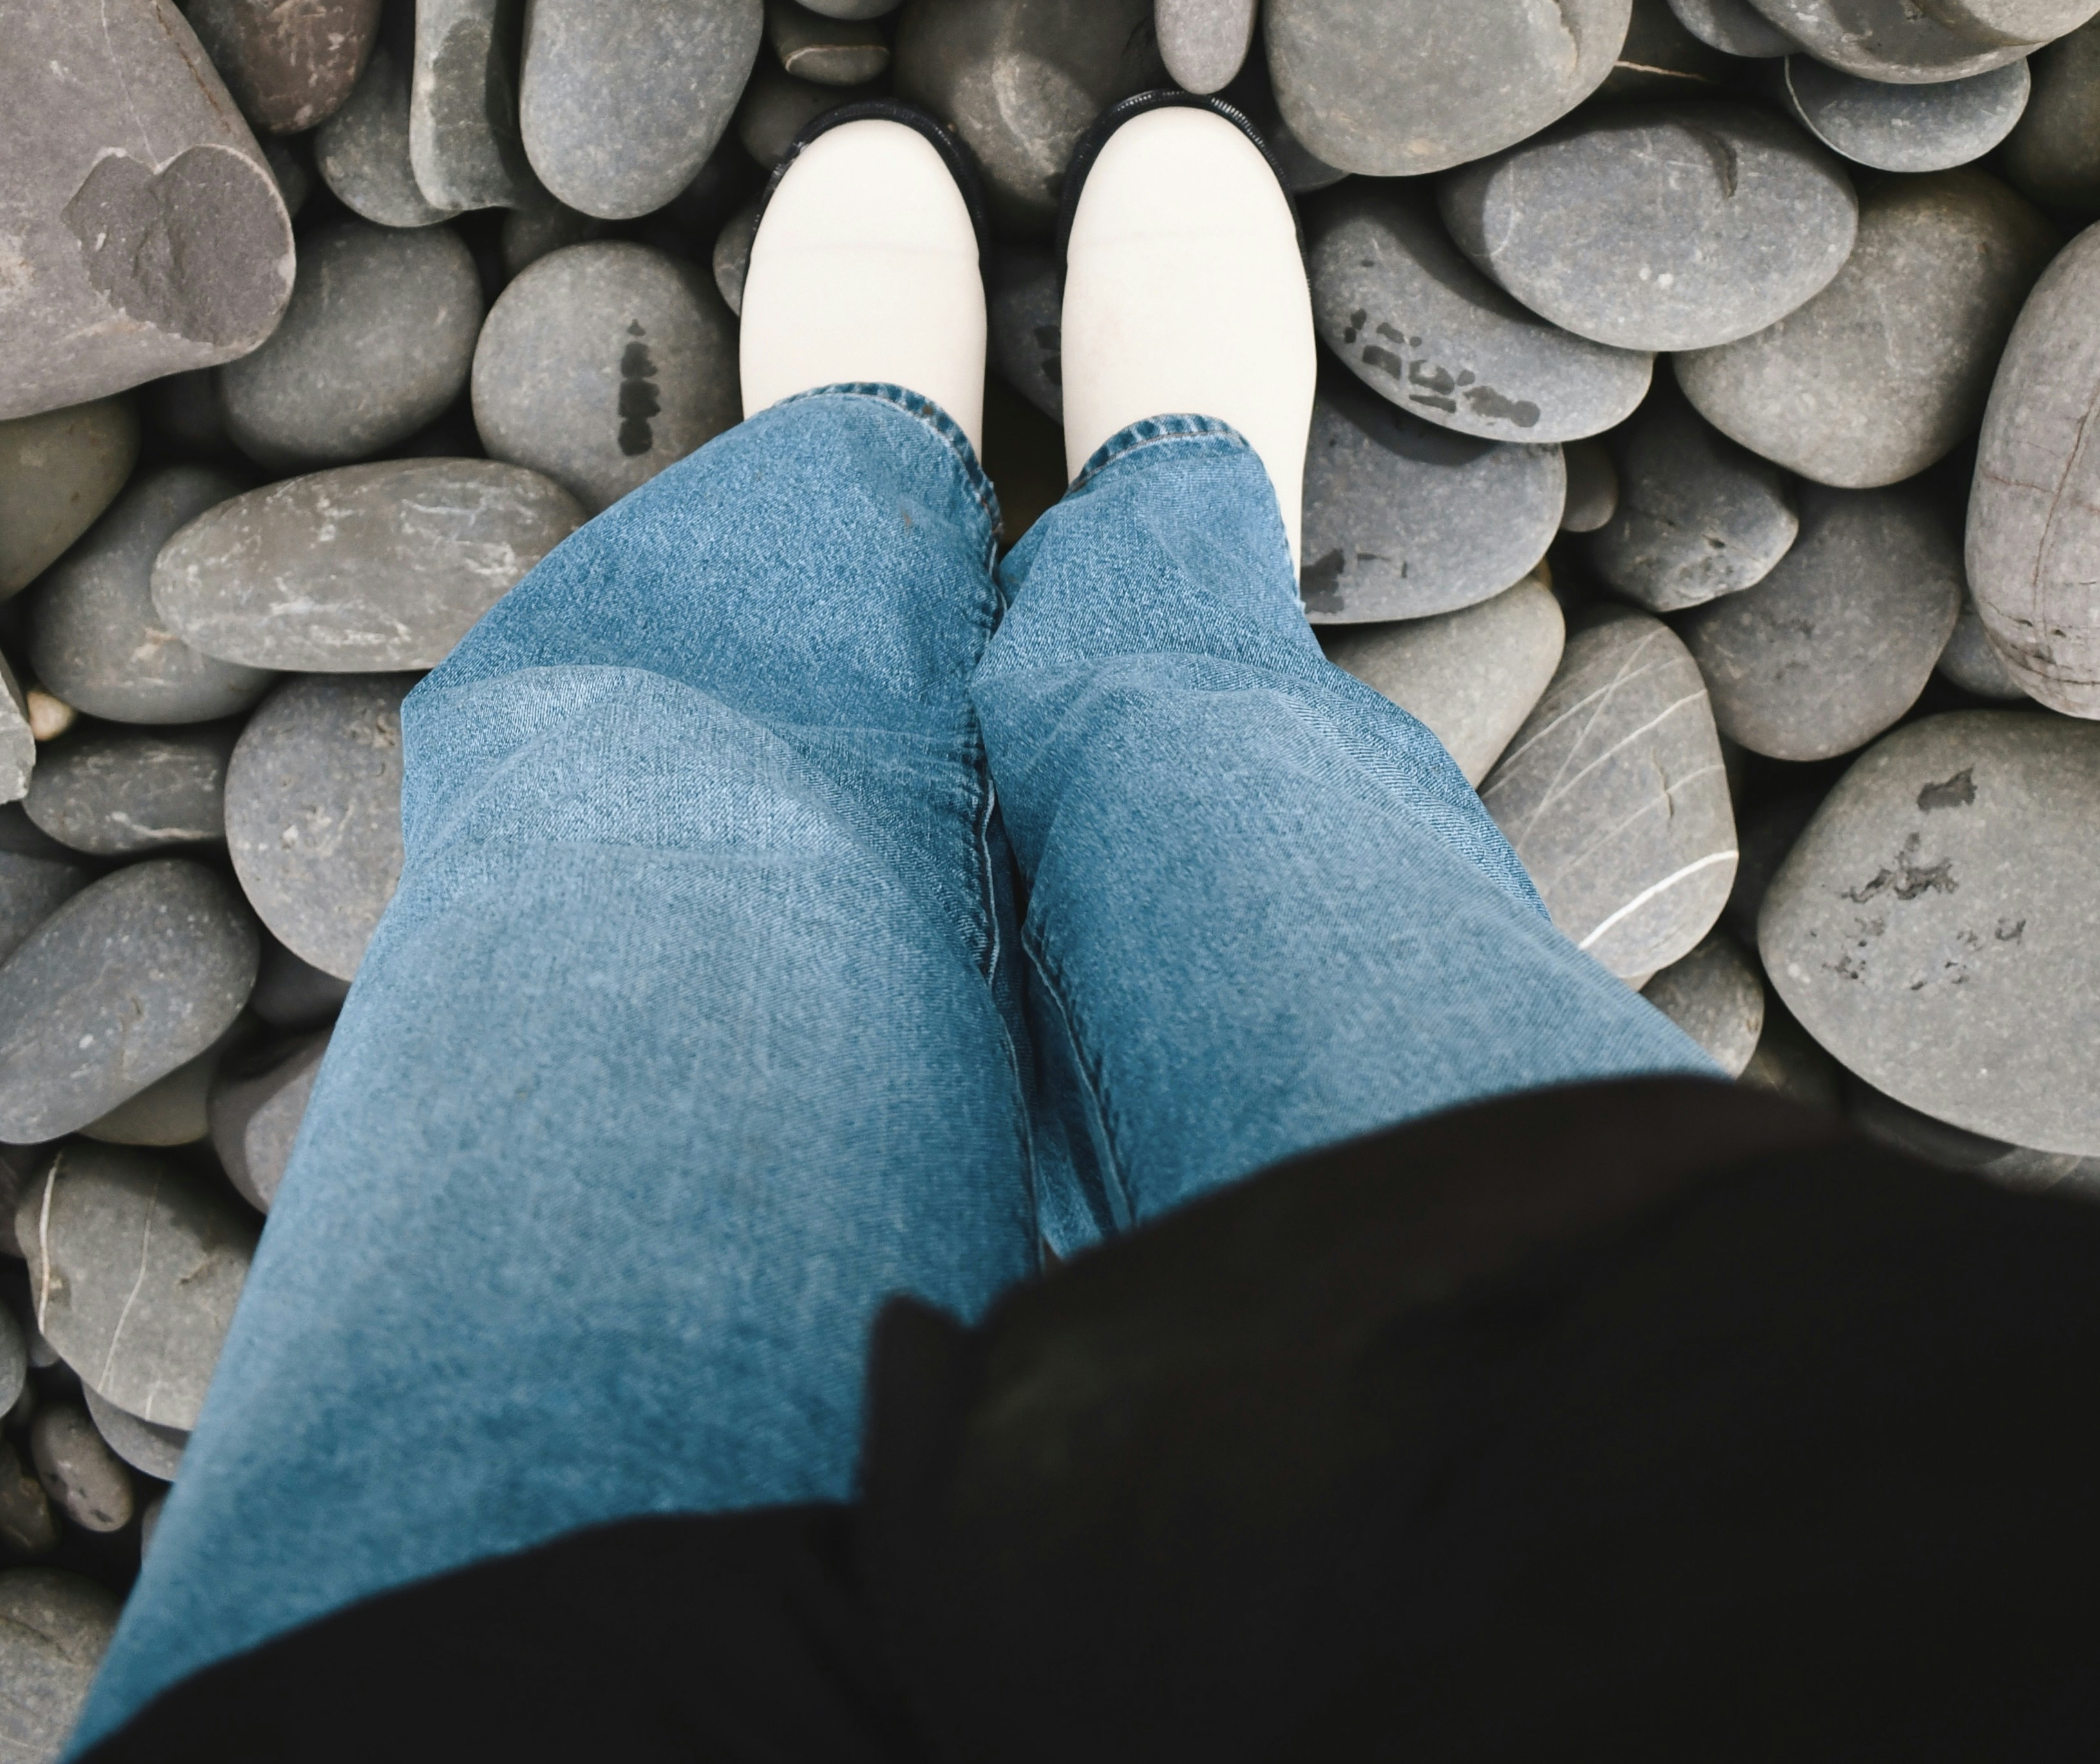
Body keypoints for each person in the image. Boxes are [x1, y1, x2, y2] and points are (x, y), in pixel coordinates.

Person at [73, 100, 2100, 1759]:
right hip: (1747, 1593)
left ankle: (862, 481)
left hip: (496, 1680)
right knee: (1277, 847)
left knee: (648, 824)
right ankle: (1163, 569)